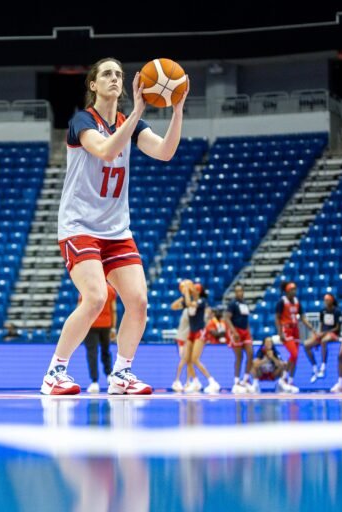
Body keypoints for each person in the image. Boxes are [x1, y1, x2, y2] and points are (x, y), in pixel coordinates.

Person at [42, 57, 188, 395]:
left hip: (117, 230)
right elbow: (106, 150)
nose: (115, 79)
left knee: (138, 301)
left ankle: (122, 373)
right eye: (107, 74)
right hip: (79, 226)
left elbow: (166, 152)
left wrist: (177, 110)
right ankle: (55, 372)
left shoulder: (130, 124)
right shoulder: (82, 121)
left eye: (119, 74)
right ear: (93, 84)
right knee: (94, 298)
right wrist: (137, 112)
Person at [171, 283, 219, 394]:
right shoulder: (189, 300)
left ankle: (212, 382)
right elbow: (173, 307)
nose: (193, 291)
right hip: (191, 333)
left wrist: (187, 292)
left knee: (195, 359)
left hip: (200, 332)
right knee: (187, 359)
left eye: (195, 290)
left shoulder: (202, 301)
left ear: (198, 292)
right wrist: (182, 295)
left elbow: (190, 304)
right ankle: (196, 382)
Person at [274, 281, 313, 392]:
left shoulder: (297, 302)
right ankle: (283, 378)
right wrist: (279, 332)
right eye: (292, 289)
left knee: (295, 357)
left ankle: (290, 381)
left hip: (296, 329)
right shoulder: (282, 302)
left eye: (295, 289)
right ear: (287, 291)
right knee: (294, 354)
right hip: (286, 329)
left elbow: (302, 317)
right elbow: (277, 318)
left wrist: (311, 328)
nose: (294, 291)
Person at [82, 283, 117, 393]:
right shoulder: (110, 290)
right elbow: (114, 310)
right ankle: (109, 376)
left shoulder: (87, 288)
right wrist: (113, 328)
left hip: (90, 325)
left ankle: (94, 382)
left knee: (92, 353)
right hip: (106, 325)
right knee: (106, 351)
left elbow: (80, 310)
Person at [303, 294, 342, 383]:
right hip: (323, 334)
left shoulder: (337, 312)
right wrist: (318, 335)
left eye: (327, 300)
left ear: (332, 300)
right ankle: (314, 367)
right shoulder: (322, 311)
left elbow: (338, 328)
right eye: (325, 300)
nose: (326, 302)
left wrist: (324, 334)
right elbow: (321, 325)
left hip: (333, 334)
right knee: (306, 344)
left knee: (324, 341)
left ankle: (323, 365)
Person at [224, 284, 254, 393]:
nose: (239, 293)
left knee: (250, 354)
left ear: (243, 292)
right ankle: (236, 381)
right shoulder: (232, 304)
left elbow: (246, 320)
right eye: (237, 291)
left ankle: (245, 380)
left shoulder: (245, 304)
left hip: (245, 331)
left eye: (240, 291)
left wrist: (249, 333)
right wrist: (234, 331)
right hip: (236, 331)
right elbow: (227, 318)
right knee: (239, 357)